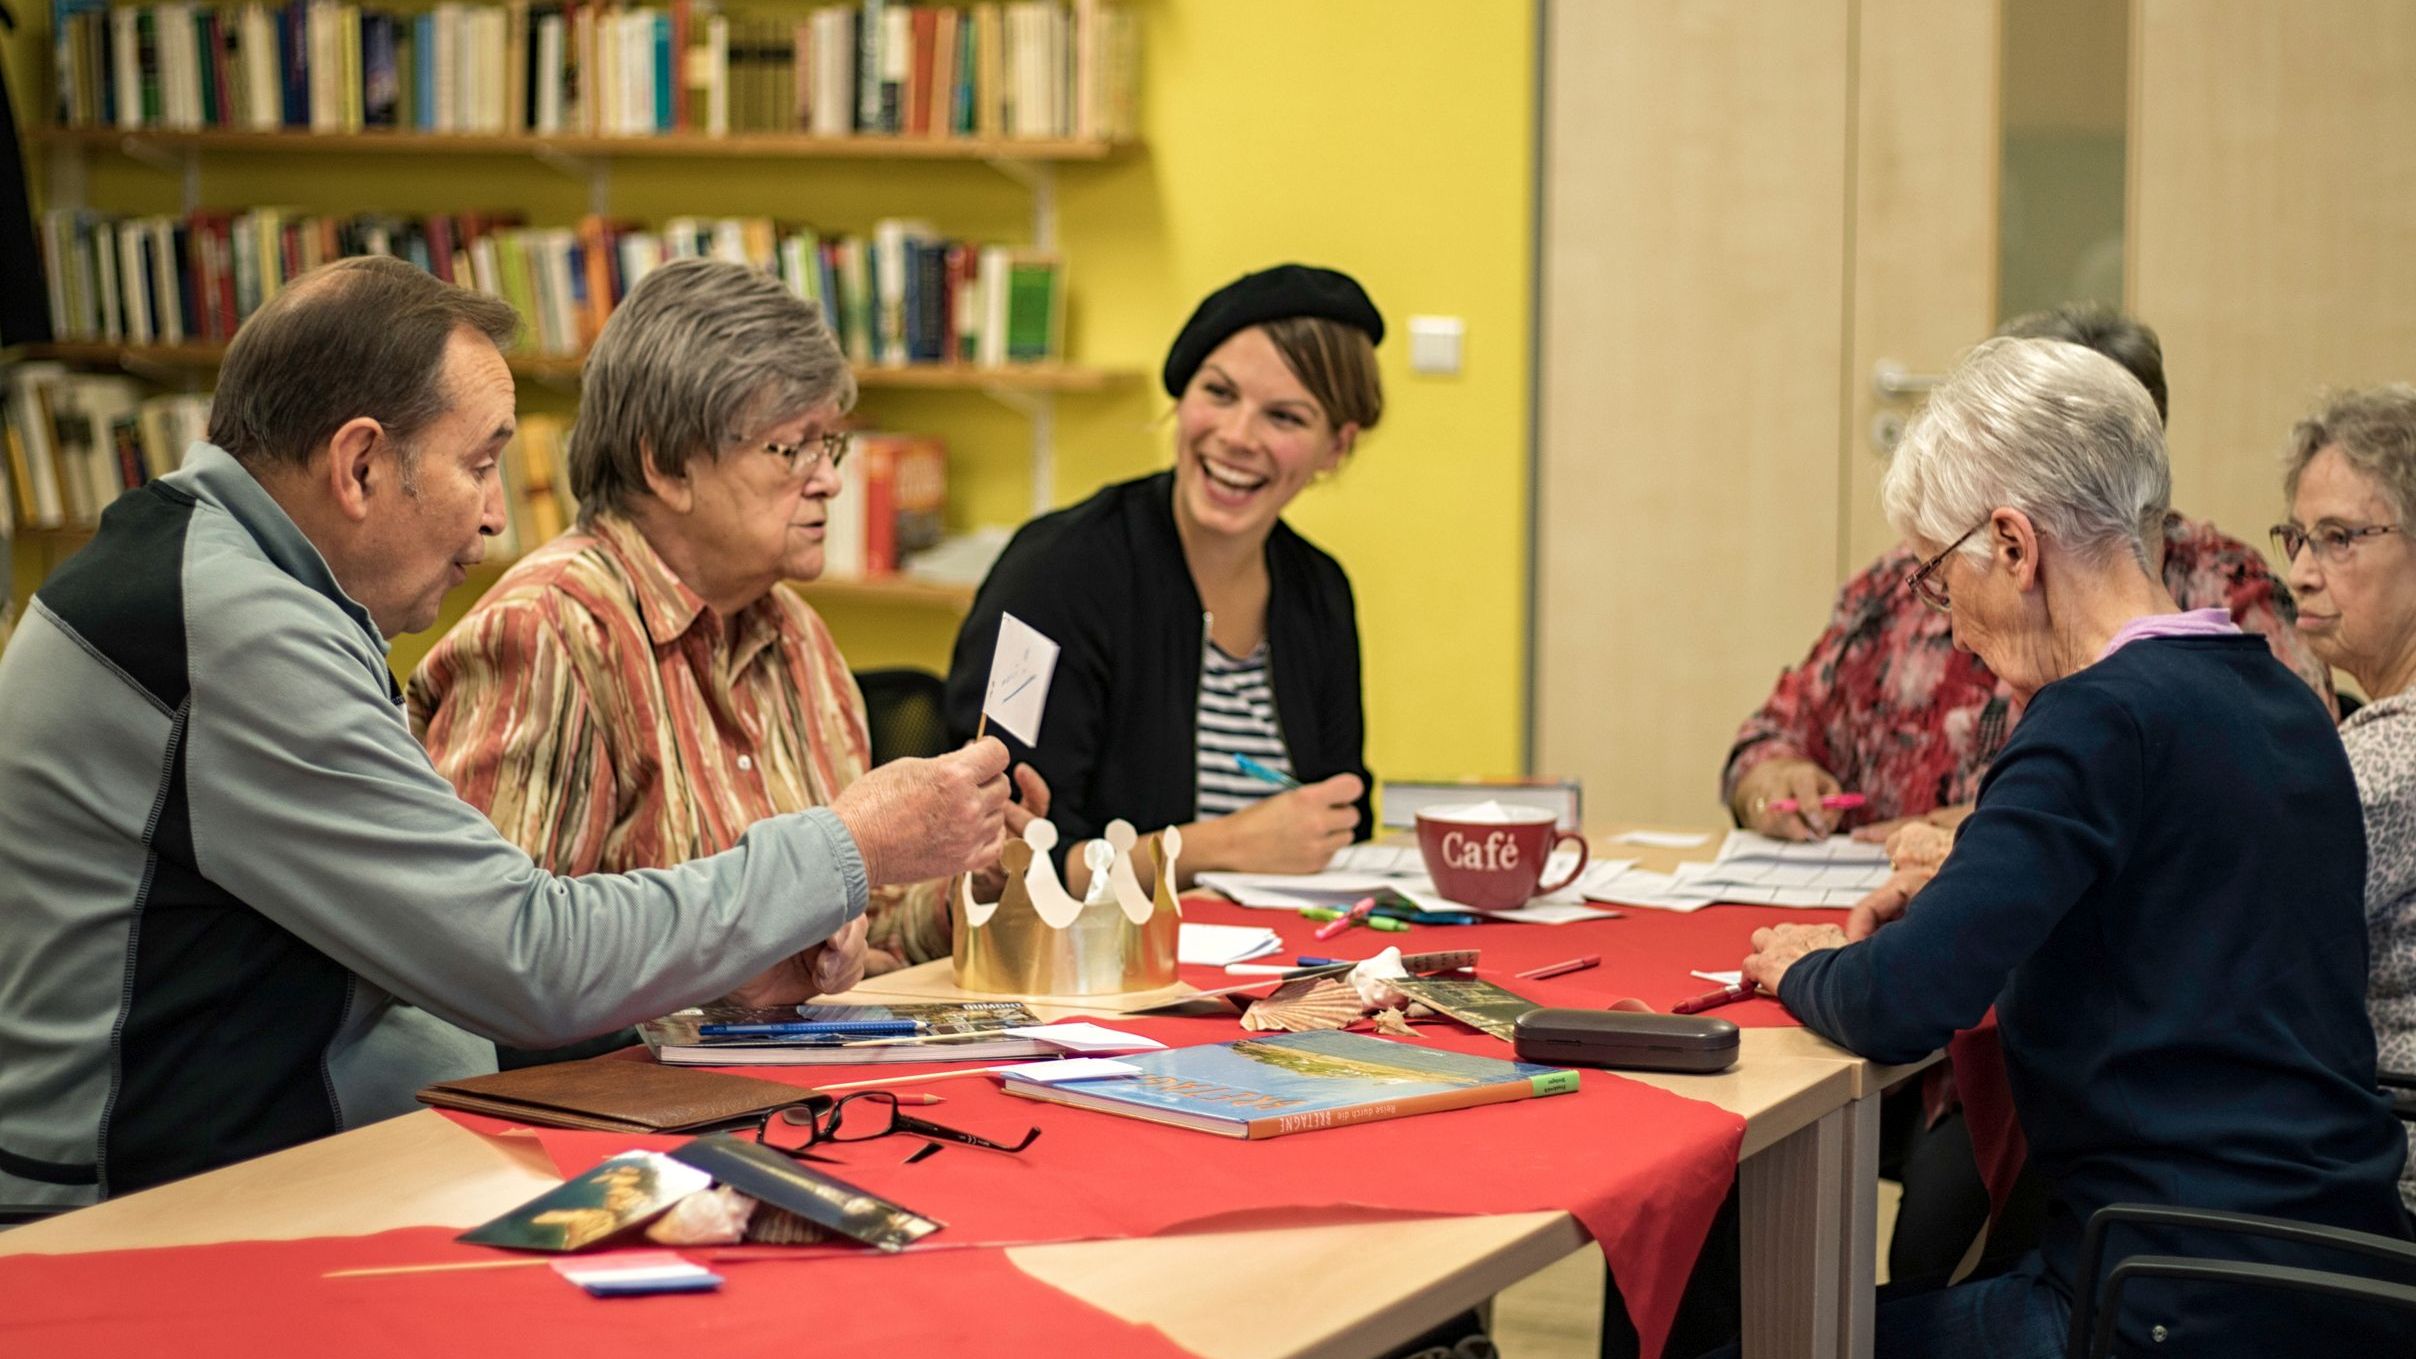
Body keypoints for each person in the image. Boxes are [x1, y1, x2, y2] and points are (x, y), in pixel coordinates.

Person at [0, 257, 1010, 1208]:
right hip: (137, 1216)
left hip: (270, 1164)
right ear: (359, 465)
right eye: (480, 464)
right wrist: (844, 847)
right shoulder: (236, 629)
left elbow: (472, 964)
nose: (496, 517)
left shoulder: (228, 582)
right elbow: (525, 961)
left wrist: (728, 970)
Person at [1738, 337, 2412, 1357]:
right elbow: (2172, 916)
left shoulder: (2095, 720)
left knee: (1773, 1339)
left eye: (1939, 577)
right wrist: (1969, 890)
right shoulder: (2278, 697)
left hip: (2167, 1301)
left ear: (2013, 546)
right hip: (2344, 1280)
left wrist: (1800, 965)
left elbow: (1898, 1001)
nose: (1949, 626)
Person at [410, 258, 1041, 973]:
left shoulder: (794, 631)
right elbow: (497, 962)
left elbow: (871, 925)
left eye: (829, 445)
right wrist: (755, 973)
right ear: (667, 465)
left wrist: (972, 882)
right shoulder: (549, 634)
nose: (830, 480)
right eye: (793, 448)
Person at [1723, 303, 2331, 844]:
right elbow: (1766, 741)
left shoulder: (2221, 600)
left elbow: (2279, 803)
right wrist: (1773, 784)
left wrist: (2016, 827)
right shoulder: (1900, 586)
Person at [944, 264, 1381, 890]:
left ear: (1335, 447)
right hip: (1095, 951)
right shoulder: (1056, 574)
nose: (1237, 436)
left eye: (1285, 417)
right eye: (1220, 393)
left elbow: (1342, 822)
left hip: (1283, 944)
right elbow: (1005, 861)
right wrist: (1222, 845)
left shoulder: (1319, 590)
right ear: (1182, 396)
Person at [2277, 384, 2416, 1214]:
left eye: (2339, 539)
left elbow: (2210, 919)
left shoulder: (2395, 759)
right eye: (2298, 538)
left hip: (2375, 1200)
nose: (2300, 572)